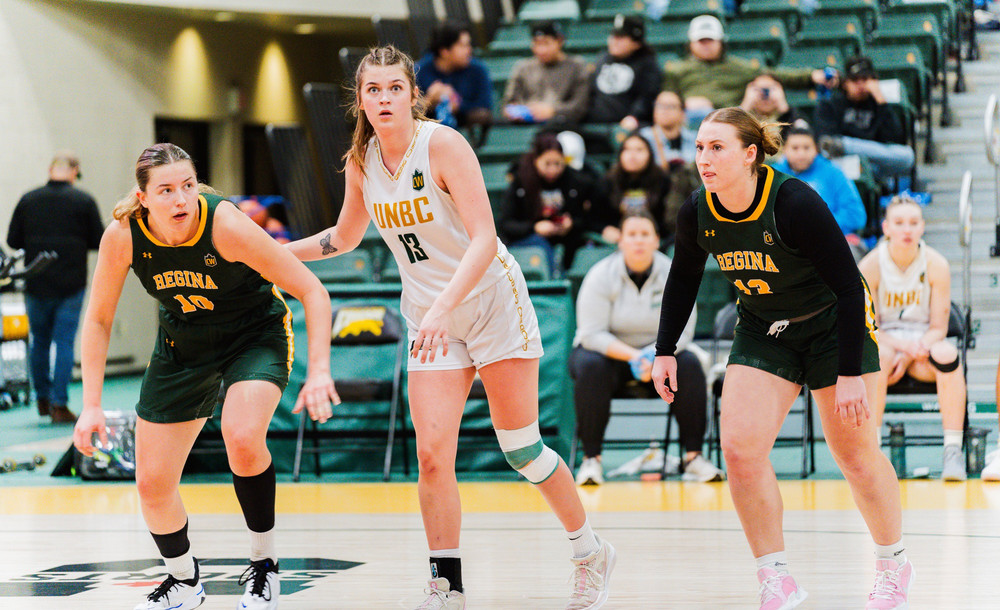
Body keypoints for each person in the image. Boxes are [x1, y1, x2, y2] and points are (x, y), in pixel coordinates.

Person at [287, 46, 616, 610]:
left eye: (395, 88)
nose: (384, 99)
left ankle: (589, 550)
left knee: (522, 449)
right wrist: (265, 254)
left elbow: (486, 240)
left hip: (490, 301)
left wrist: (443, 307)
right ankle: (446, 586)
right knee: (433, 454)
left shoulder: (443, 144)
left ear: (414, 95)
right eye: (373, 90)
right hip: (429, 314)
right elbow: (342, 238)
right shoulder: (360, 161)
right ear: (359, 98)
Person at [651, 108, 911, 609]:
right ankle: (776, 579)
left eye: (717, 147)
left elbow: (848, 286)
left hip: (834, 323)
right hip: (764, 328)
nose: (704, 158)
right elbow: (682, 278)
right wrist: (666, 349)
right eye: (701, 147)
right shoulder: (696, 211)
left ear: (750, 154)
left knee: (854, 457)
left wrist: (851, 371)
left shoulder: (794, 202)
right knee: (740, 453)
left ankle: (893, 563)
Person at [72, 143, 339, 610]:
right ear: (143, 197)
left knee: (241, 434)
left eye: (189, 186)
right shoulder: (123, 236)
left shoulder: (226, 225)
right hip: (183, 346)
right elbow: (97, 320)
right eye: (167, 190)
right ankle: (183, 579)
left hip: (253, 336)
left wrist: (319, 372)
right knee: (152, 483)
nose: (181, 200)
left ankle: (264, 564)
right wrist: (90, 404)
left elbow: (312, 291)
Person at [570, 211, 724, 485]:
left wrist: (656, 357)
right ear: (620, 241)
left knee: (689, 365)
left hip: (664, 356)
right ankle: (591, 461)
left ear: (656, 241)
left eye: (645, 234)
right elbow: (591, 334)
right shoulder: (600, 275)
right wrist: (637, 357)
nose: (638, 241)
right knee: (588, 365)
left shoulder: (674, 274)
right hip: (613, 358)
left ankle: (694, 458)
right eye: (632, 234)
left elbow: (685, 331)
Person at [857, 195, 968, 481]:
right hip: (886, 343)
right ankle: (873, 453)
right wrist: (900, 348)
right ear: (886, 228)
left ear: (922, 227)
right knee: (877, 355)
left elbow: (939, 328)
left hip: (922, 346)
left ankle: (953, 451)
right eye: (899, 223)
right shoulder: (871, 265)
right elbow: (870, 327)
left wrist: (910, 353)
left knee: (948, 355)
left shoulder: (936, 264)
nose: (907, 229)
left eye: (913, 223)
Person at [6, 150, 104, 424]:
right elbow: (99, 240)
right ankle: (60, 406)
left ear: (51, 169)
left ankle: (42, 399)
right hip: (71, 284)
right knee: (64, 343)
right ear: (74, 171)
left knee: (39, 343)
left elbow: (13, 241)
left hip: (36, 282)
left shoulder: (29, 199)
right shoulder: (83, 200)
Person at [663, 15, 834, 126]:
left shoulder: (739, 67)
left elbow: (774, 75)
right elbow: (663, 101)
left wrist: (811, 76)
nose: (706, 45)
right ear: (690, 44)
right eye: (701, 41)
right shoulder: (677, 70)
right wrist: (683, 104)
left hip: (732, 119)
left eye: (710, 40)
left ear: (721, 42)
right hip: (692, 120)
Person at [498, 131, 605, 273]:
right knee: (540, 244)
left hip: (565, 240)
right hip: (528, 240)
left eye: (558, 163)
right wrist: (534, 228)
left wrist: (571, 223)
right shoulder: (521, 182)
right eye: (547, 164)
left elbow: (587, 218)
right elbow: (506, 224)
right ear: (536, 160)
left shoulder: (575, 181)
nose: (553, 169)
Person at [813, 56, 914, 182]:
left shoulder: (878, 103)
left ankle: (846, 146)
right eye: (855, 80)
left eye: (865, 79)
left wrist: (880, 100)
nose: (860, 85)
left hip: (873, 160)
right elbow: (826, 144)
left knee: (907, 156)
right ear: (845, 83)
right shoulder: (830, 103)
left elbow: (896, 139)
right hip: (841, 163)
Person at [770, 125, 866, 240]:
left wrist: (819, 226)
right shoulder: (773, 175)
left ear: (816, 149)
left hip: (828, 239)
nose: (801, 154)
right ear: (784, 149)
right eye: (795, 148)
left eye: (806, 148)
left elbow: (855, 215)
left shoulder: (833, 172)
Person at [602, 133, 697, 247]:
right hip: (615, 241)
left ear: (650, 154)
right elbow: (594, 217)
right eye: (626, 150)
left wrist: (652, 235)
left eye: (639, 150)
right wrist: (604, 228)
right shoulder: (607, 181)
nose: (632, 155)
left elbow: (670, 218)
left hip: (659, 241)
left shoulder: (663, 180)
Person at [501, 21, 591, 126]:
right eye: (537, 44)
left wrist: (553, 111)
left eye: (546, 43)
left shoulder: (577, 66)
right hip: (525, 125)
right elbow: (508, 104)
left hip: (563, 125)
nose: (541, 50)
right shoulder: (523, 67)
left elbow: (580, 106)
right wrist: (515, 111)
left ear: (559, 41)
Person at [415, 21, 493, 137]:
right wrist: (429, 101)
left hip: (467, 132)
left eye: (469, 45)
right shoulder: (419, 71)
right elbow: (407, 111)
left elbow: (485, 106)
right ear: (444, 51)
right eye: (463, 46)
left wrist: (457, 105)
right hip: (428, 135)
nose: (469, 50)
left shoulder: (478, 69)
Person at [585, 14, 661, 131]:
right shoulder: (602, 59)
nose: (614, 41)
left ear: (636, 43)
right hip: (595, 121)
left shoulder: (647, 64)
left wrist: (635, 116)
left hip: (629, 124)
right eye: (612, 36)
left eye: (620, 37)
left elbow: (647, 96)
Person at [639, 90, 697, 166]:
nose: (664, 110)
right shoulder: (643, 139)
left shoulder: (695, 139)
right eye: (660, 106)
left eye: (671, 106)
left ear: (682, 113)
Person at [739, 75, 800, 140]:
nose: (765, 95)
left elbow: (797, 139)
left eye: (770, 90)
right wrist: (746, 105)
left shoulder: (793, 116)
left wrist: (783, 107)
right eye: (758, 90)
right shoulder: (747, 119)